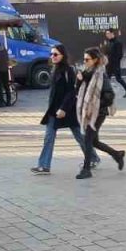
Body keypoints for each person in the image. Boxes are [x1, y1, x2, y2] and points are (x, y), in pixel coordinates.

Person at [31, 44, 84, 175]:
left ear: (63, 55)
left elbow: (71, 92)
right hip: (54, 110)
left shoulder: (68, 71)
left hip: (67, 109)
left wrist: (63, 108)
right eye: (51, 54)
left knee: (79, 135)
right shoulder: (54, 69)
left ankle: (93, 157)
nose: (52, 57)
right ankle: (44, 166)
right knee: (49, 137)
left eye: (55, 54)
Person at [75, 48, 126, 180]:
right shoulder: (86, 73)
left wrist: (95, 105)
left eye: (87, 59)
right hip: (89, 112)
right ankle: (117, 154)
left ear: (95, 60)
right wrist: (79, 80)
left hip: (98, 113)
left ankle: (86, 170)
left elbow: (110, 95)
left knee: (87, 140)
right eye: (84, 59)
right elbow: (78, 91)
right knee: (94, 141)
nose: (85, 62)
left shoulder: (100, 75)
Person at [102, 28, 126, 98]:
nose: (107, 35)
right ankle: (106, 93)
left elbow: (119, 55)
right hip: (108, 64)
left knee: (118, 78)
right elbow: (106, 53)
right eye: (106, 34)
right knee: (107, 78)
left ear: (112, 34)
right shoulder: (108, 42)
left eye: (108, 33)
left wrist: (114, 62)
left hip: (115, 64)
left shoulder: (118, 43)